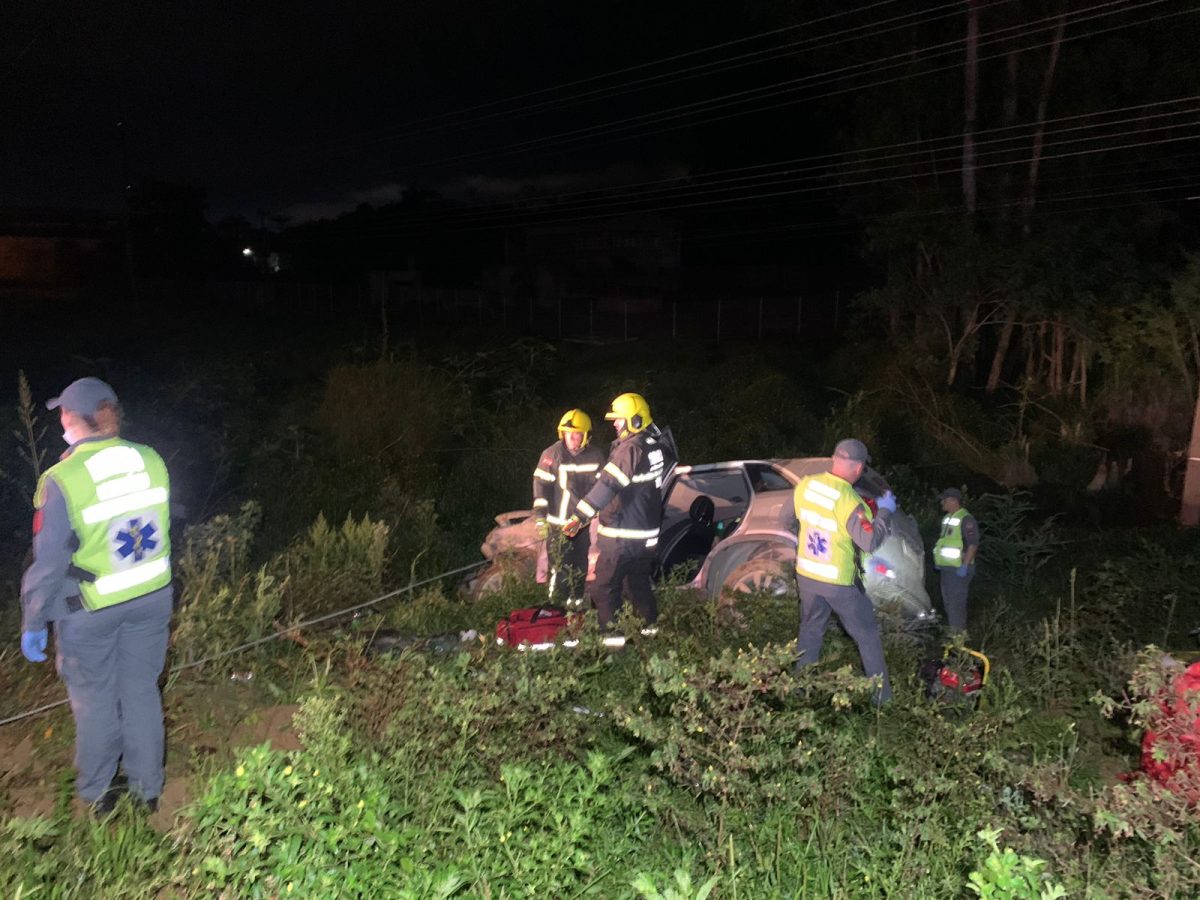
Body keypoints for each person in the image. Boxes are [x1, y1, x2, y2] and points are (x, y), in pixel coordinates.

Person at [19, 377, 173, 815]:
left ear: (71, 418)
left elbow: (48, 563)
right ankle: (148, 792)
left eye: (62, 415)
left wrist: (34, 621)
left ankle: (97, 795)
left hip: (91, 609)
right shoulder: (151, 459)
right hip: (152, 597)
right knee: (142, 692)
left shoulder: (62, 478)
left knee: (95, 701)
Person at [562, 392, 676, 646]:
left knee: (602, 588)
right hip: (645, 537)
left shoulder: (631, 448)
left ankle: (612, 645)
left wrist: (579, 516)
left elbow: (609, 484)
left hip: (623, 536)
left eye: (619, 419)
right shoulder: (653, 445)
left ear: (634, 420)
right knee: (637, 585)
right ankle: (649, 636)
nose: (615, 424)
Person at [793, 438, 896, 704]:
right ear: (859, 467)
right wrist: (884, 513)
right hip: (838, 582)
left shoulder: (806, 484)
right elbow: (869, 541)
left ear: (834, 458)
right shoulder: (849, 500)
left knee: (810, 630)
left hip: (807, 576)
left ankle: (798, 691)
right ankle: (881, 700)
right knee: (868, 635)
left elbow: (792, 519)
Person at [531, 409, 605, 608]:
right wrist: (540, 518)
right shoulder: (552, 455)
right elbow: (540, 488)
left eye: (577, 433)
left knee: (580, 565)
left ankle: (577, 607)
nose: (572, 438)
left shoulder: (596, 456)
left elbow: (602, 489)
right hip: (559, 525)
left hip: (582, 524)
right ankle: (556, 609)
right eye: (567, 433)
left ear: (586, 435)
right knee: (560, 569)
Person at [932, 487, 979, 634]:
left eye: (944, 500)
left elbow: (973, 544)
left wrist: (964, 566)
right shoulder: (947, 519)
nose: (942, 503)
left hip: (959, 570)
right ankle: (955, 640)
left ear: (953, 501)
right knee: (949, 605)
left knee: (955, 606)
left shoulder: (966, 519)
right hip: (948, 569)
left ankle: (959, 642)